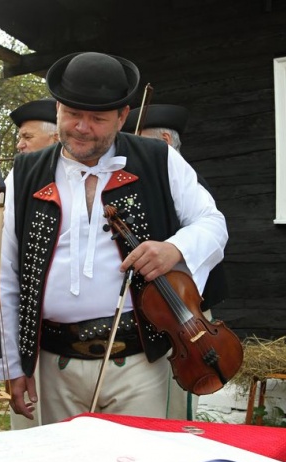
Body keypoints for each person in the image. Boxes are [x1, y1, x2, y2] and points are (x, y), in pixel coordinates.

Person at [0, 52, 228, 425]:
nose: (82, 127)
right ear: (57, 108)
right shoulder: (24, 174)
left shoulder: (159, 159)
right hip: (51, 365)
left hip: (140, 363)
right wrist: (13, 364)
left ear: (122, 117)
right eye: (72, 114)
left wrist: (174, 249)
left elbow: (212, 223)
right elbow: (8, 273)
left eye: (97, 119)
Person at [123, 103, 230, 420]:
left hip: (186, 312)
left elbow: (210, 232)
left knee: (176, 410)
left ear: (165, 141)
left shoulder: (187, 181)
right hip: (158, 312)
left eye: (139, 140)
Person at [0, 98, 59, 430]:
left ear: (56, 138)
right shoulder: (16, 179)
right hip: (27, 328)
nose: (19, 144)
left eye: (27, 137)